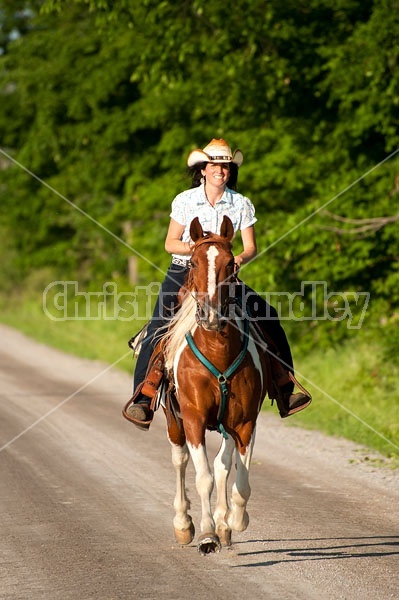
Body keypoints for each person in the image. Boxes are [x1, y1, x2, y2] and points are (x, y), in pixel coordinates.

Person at [124, 138, 311, 429]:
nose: (220, 171)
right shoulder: (184, 201)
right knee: (159, 323)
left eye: (225, 167)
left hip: (224, 275)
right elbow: (169, 242)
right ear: (203, 170)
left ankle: (284, 388)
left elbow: (250, 247)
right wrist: (201, 251)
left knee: (269, 316)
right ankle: (144, 397)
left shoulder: (241, 204)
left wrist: (236, 259)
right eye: (214, 166)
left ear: (229, 171)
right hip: (185, 270)